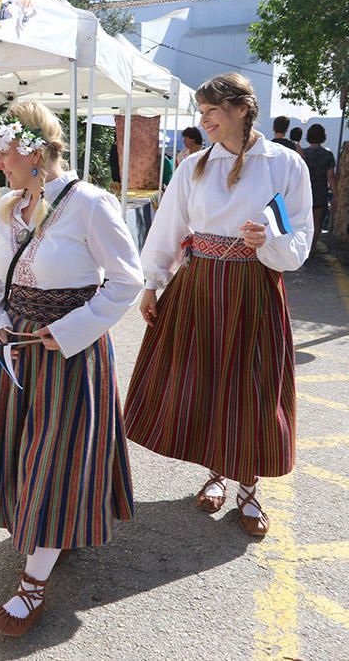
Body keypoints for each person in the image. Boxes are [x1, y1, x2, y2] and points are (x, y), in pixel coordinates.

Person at [0, 102, 143, 636]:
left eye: (4, 151)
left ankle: (33, 584)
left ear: (35, 154)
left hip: (68, 354)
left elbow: (126, 281)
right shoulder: (5, 208)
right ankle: (45, 534)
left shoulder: (90, 204)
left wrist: (67, 332)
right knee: (21, 449)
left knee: (56, 457)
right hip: (16, 348)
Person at [123, 73, 313, 539]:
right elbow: (168, 227)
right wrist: (152, 284)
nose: (203, 119)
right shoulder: (193, 166)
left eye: (211, 110)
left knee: (253, 386)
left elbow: (301, 237)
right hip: (200, 284)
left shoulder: (285, 164)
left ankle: (249, 488)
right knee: (206, 380)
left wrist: (269, 241)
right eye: (201, 111)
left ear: (240, 109)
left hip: (254, 285)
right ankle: (215, 473)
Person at [301, 124, 337, 251]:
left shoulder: (302, 153)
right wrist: (335, 195)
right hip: (320, 191)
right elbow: (331, 176)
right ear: (323, 137)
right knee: (317, 222)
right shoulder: (327, 154)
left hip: (304, 192)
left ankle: (303, 247)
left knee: (303, 221)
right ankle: (312, 247)